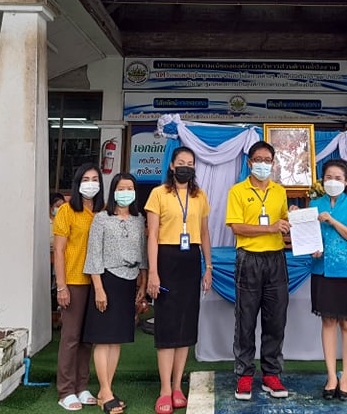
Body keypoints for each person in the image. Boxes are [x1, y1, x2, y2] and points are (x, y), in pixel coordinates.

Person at [145, 147, 213, 414]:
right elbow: (152, 235)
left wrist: (208, 267)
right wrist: (153, 271)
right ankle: (164, 389)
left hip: (191, 261)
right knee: (167, 324)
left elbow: (204, 234)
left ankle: (177, 386)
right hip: (166, 259)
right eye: (181, 162)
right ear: (172, 166)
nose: (186, 166)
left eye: (191, 163)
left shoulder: (199, 195)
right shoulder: (158, 194)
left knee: (185, 324)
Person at [225, 140, 291, 401]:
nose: (263, 164)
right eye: (258, 160)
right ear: (249, 162)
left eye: (268, 160)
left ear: (273, 164)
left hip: (276, 259)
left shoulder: (279, 191)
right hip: (248, 259)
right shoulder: (237, 191)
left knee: (276, 319)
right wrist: (270, 228)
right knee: (246, 319)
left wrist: (293, 217)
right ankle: (244, 374)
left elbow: (284, 223)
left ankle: (271, 373)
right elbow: (237, 227)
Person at [83, 173, 149, 414]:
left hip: (129, 282)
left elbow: (143, 253)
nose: (126, 192)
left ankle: (106, 390)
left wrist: (143, 284)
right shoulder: (101, 219)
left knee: (117, 339)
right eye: (121, 188)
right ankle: (105, 390)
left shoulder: (138, 219)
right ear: (113, 192)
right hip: (107, 281)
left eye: (130, 188)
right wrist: (99, 289)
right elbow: (94, 255)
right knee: (104, 339)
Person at [310, 158, 347, 401]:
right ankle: (331, 376)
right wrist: (312, 248)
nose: (332, 181)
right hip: (321, 271)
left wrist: (332, 221)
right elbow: (311, 237)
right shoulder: (315, 204)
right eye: (328, 177)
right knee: (328, 322)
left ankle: (346, 377)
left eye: (338, 178)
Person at [53, 165, 103, 411]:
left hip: (97, 283)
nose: (90, 183)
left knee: (87, 338)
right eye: (86, 179)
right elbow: (59, 250)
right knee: (71, 337)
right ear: (77, 183)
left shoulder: (103, 211)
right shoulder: (67, 211)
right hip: (73, 281)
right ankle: (66, 390)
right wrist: (61, 286)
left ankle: (82, 387)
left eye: (95, 179)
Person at [50, 191, 66, 323]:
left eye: (63, 206)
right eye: (57, 206)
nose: (60, 209)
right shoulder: (45, 222)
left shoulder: (64, 220)